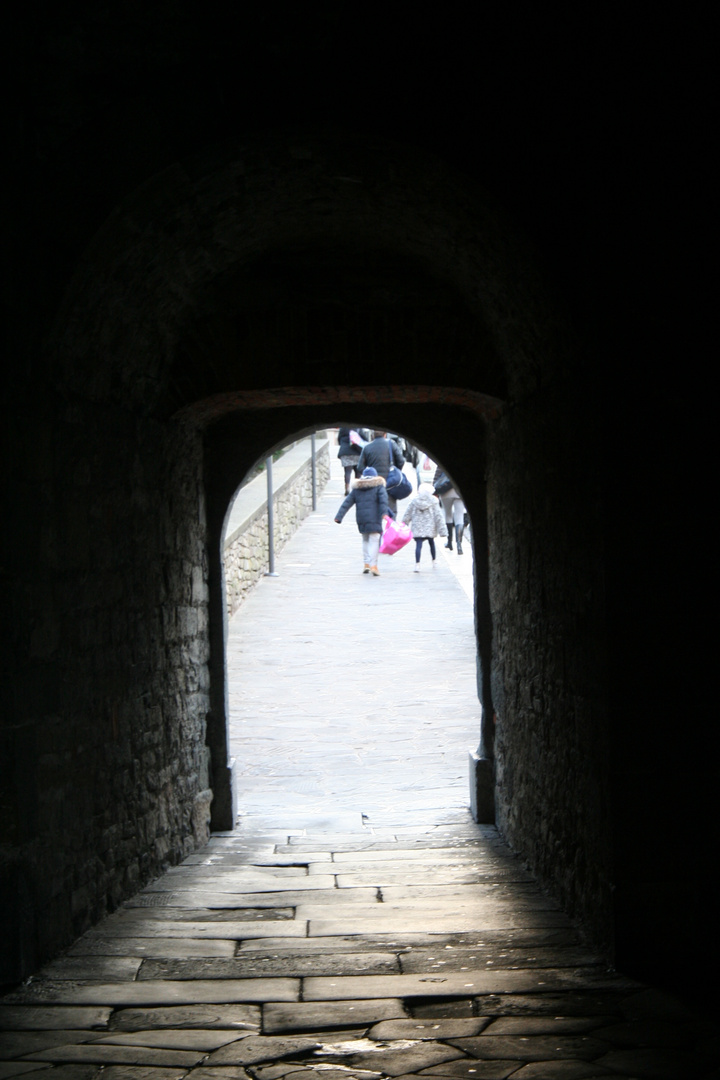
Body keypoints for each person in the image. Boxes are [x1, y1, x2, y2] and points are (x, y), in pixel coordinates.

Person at [334, 466, 389, 576]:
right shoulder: (379, 486)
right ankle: (374, 565)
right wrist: (384, 514)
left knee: (365, 539)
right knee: (374, 540)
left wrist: (339, 517)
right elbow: (383, 501)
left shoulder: (357, 489)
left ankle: (366, 564)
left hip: (361, 518)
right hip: (375, 518)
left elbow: (347, 503)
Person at [356, 431, 406, 515]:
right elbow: (401, 461)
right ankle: (390, 527)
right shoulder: (391, 444)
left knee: (374, 512)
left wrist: (369, 476)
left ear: (372, 436)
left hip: (373, 485)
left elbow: (360, 467)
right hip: (389, 483)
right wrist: (395, 471)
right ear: (385, 434)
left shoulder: (367, 447)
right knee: (391, 512)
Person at [402, 483, 447, 571]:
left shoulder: (414, 501)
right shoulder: (434, 501)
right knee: (431, 544)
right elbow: (438, 516)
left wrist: (404, 523)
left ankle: (417, 564)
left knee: (418, 545)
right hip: (430, 527)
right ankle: (434, 561)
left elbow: (408, 513)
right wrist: (443, 531)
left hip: (417, 527)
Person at [433, 466, 467, 554]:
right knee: (459, 517)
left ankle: (449, 542)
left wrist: (435, 489)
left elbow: (437, 475)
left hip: (446, 491)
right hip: (459, 492)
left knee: (448, 515)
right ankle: (459, 545)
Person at [336, 427, 364, 494]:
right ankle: (357, 488)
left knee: (347, 471)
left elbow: (339, 439)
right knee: (358, 472)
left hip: (345, 452)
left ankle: (347, 488)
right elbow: (364, 438)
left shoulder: (343, 428)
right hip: (357, 451)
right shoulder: (358, 427)